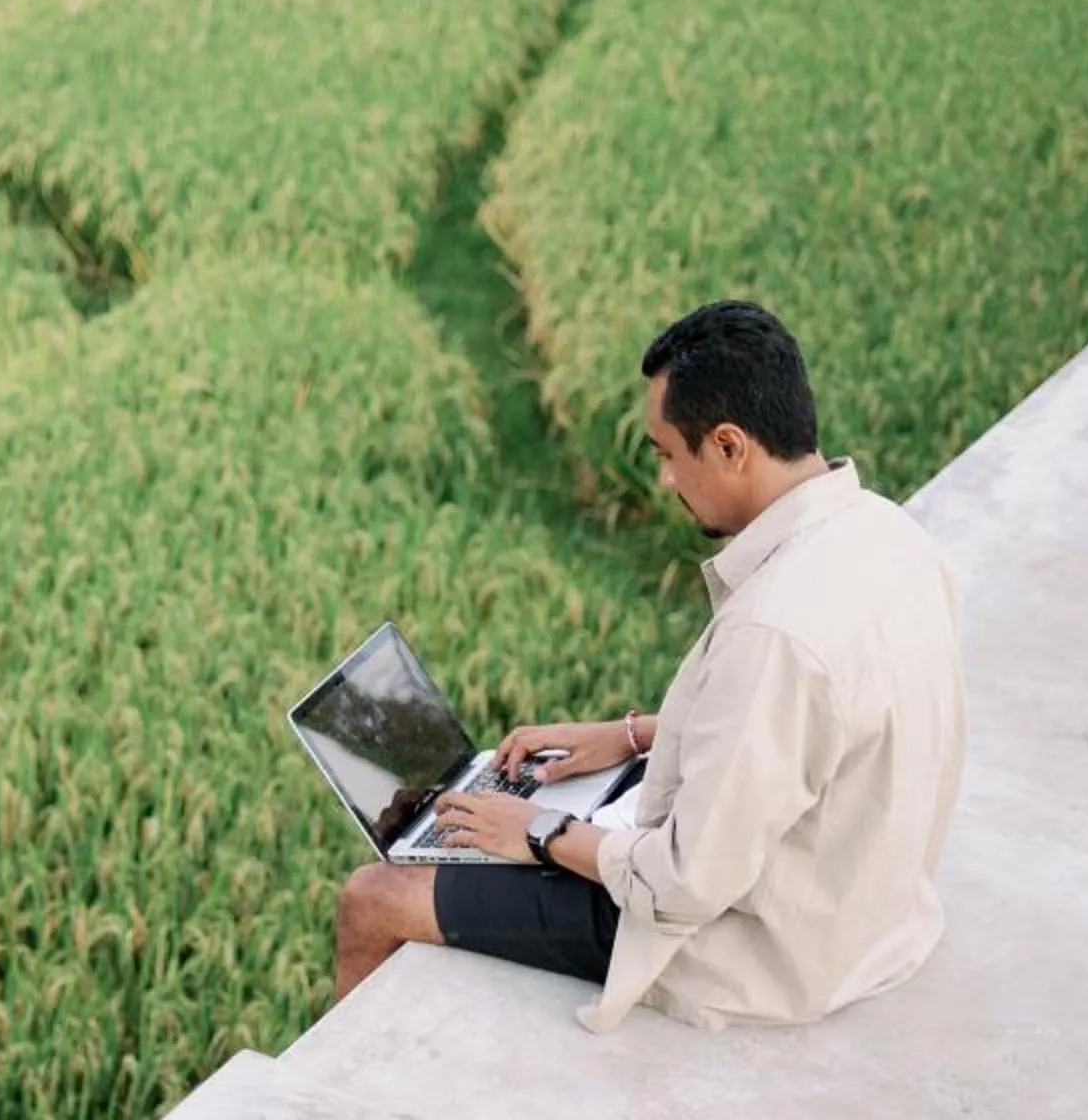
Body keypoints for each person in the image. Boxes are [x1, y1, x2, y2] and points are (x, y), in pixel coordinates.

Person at [332, 300, 966, 1031]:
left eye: (666, 454)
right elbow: (812, 726)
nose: (664, 480)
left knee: (373, 897)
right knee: (534, 822)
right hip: (866, 913)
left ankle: (324, 1097)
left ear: (728, 445)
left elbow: (682, 886)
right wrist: (629, 737)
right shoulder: (890, 535)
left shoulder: (772, 630)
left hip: (754, 948)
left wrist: (538, 832)